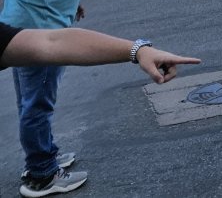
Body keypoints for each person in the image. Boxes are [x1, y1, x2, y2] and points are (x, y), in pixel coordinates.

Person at [0, 18, 199, 198]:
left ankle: (42, 162)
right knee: (36, 105)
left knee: (32, 103)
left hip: (40, 28)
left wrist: (139, 50)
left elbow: (52, 43)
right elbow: (50, 42)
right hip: (39, 22)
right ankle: (42, 170)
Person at [0, 0, 91, 196]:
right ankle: (41, 174)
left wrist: (71, 2)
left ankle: (42, 154)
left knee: (31, 101)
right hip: (40, 35)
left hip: (28, 27)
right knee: (37, 104)